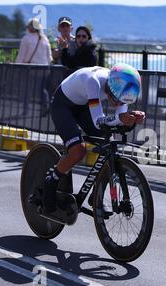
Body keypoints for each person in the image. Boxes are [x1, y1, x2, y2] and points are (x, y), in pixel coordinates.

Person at [43, 63, 145, 213]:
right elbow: (99, 121)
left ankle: (96, 194)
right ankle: (50, 182)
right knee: (78, 150)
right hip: (63, 105)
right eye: (117, 99)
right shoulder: (93, 81)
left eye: (123, 101)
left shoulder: (118, 89)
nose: (119, 103)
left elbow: (117, 120)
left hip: (83, 105)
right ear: (111, 87)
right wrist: (121, 118)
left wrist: (132, 118)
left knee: (108, 144)